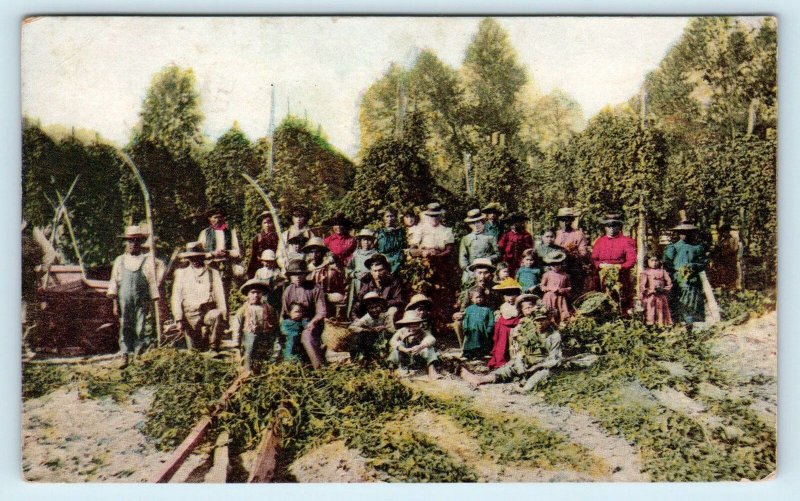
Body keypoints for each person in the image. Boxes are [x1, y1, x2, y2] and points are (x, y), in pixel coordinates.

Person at [461, 300, 564, 392]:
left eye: (543, 320)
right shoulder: (528, 331)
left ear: (548, 320)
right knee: (509, 367)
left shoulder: (554, 336)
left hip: (542, 366)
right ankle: (480, 379)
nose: (540, 323)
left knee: (540, 376)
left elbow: (555, 359)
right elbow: (520, 351)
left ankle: (525, 388)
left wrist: (537, 366)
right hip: (527, 362)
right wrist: (520, 364)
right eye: (537, 320)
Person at [107, 226, 161, 368]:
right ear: (126, 243)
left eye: (136, 241)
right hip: (124, 299)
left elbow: (151, 281)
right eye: (130, 241)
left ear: (140, 243)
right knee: (125, 325)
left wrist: (154, 298)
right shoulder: (120, 260)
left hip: (141, 299)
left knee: (140, 326)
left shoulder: (147, 260)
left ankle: (138, 354)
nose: (133, 244)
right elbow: (114, 282)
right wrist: (114, 303)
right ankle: (124, 354)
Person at [170, 242, 227, 352]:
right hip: (190, 315)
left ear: (202, 256)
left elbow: (220, 295)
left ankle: (214, 347)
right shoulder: (181, 274)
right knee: (195, 350)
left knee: (217, 315)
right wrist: (178, 319)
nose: (194, 260)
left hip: (207, 311)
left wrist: (224, 317)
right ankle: (200, 340)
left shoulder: (212, 272)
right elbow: (176, 297)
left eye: (197, 257)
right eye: (191, 258)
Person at [280, 258, 327, 369]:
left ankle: (320, 368)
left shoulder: (315, 288)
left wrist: (313, 322)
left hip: (311, 322)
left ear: (305, 275)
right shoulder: (288, 290)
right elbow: (285, 313)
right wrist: (290, 318)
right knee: (290, 338)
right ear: (290, 276)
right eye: (294, 275)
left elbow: (321, 311)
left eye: (300, 274)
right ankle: (291, 367)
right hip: (294, 322)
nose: (297, 278)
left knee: (307, 337)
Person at [591, 213, 637, 316]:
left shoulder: (626, 241)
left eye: (614, 225)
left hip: (621, 275)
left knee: (621, 297)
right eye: (609, 226)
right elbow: (593, 259)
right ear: (605, 227)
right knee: (604, 296)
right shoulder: (600, 242)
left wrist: (620, 266)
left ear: (619, 227)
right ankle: (606, 317)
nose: (611, 228)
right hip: (603, 274)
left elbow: (632, 259)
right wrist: (600, 265)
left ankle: (622, 317)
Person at [663, 220, 707, 325]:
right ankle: (677, 323)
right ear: (678, 234)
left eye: (688, 232)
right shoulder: (673, 247)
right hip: (677, 279)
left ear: (693, 233)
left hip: (693, 280)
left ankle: (690, 324)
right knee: (677, 301)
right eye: (682, 232)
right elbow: (666, 263)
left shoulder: (698, 247)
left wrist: (694, 266)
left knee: (692, 301)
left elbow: (704, 263)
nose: (685, 235)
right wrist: (675, 272)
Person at [230, 279, 279, 372]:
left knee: (265, 355)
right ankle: (247, 371)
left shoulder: (269, 308)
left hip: (265, 336)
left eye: (258, 293)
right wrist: (236, 344)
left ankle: (264, 371)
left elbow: (275, 325)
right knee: (250, 351)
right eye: (253, 292)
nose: (256, 295)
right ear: (248, 295)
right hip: (249, 336)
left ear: (262, 294)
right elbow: (237, 327)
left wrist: (276, 338)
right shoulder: (243, 309)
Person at [197, 205, 243, 296]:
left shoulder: (230, 232)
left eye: (220, 217)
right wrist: (212, 253)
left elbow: (237, 252)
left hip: (226, 266)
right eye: (215, 217)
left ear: (224, 218)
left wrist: (227, 252)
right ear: (210, 219)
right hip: (210, 266)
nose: (218, 220)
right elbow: (199, 254)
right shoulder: (204, 233)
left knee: (226, 291)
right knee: (212, 292)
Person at [387, 310, 441, 379]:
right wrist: (404, 349)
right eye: (410, 325)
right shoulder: (401, 331)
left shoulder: (422, 332)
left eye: (415, 325)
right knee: (396, 348)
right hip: (404, 356)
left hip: (418, 356)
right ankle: (391, 370)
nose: (412, 328)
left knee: (429, 349)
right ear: (406, 324)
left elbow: (431, 338)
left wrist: (420, 346)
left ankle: (432, 371)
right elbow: (392, 341)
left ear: (419, 324)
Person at [350, 253, 404, 320]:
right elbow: (358, 302)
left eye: (380, 270)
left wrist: (382, 303)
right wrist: (356, 318)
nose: (377, 274)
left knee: (393, 310)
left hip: (387, 312)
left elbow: (399, 300)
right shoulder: (366, 282)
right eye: (375, 271)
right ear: (371, 272)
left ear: (386, 270)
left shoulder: (394, 282)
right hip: (370, 314)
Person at [348, 291, 396, 362]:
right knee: (357, 337)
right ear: (367, 309)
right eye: (371, 308)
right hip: (372, 339)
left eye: (377, 307)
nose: (374, 310)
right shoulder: (366, 318)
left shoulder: (386, 316)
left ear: (380, 306)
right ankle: (362, 358)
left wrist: (384, 327)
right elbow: (351, 327)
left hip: (384, 339)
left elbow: (392, 329)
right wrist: (368, 330)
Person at [487, 278, 523, 369]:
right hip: (504, 327)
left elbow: (517, 315)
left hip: (516, 326)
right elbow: (505, 317)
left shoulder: (519, 305)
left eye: (513, 295)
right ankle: (501, 360)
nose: (510, 298)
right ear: (503, 296)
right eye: (507, 295)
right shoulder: (503, 306)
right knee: (502, 343)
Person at [554, 207, 590, 299]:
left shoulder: (578, 234)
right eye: (562, 220)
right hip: (556, 268)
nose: (565, 223)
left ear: (572, 221)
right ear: (559, 221)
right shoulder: (555, 234)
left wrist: (570, 253)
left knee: (574, 293)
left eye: (568, 220)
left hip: (573, 268)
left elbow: (583, 253)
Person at [458, 209, 499, 284]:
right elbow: (462, 257)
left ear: (482, 222)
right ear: (469, 225)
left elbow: (497, 254)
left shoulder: (490, 237)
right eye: (472, 223)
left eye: (478, 222)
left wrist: (488, 259)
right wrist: (467, 268)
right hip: (471, 270)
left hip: (487, 269)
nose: (476, 225)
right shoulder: (466, 238)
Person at [539, 250, 573, 324]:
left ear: (561, 265)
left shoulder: (565, 275)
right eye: (553, 265)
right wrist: (549, 289)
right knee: (549, 312)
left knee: (562, 313)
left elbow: (569, 287)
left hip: (560, 298)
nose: (555, 267)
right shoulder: (547, 274)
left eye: (557, 265)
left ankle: (562, 327)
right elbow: (542, 286)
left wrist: (563, 290)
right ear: (550, 266)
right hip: (549, 297)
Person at [461, 286, 495, 359]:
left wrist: (489, 328)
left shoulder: (487, 309)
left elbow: (491, 320)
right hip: (471, 330)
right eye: (476, 297)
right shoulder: (468, 309)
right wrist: (465, 328)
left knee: (482, 342)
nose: (479, 299)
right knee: (470, 342)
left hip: (483, 330)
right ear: (471, 299)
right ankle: (469, 354)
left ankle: (481, 354)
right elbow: (466, 319)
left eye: (481, 297)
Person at [639, 255, 673, 326]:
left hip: (661, 296)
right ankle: (650, 326)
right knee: (651, 311)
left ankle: (661, 326)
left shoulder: (663, 272)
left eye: (656, 260)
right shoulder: (645, 272)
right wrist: (649, 291)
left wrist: (664, 289)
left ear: (659, 261)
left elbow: (669, 283)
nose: (654, 263)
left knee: (661, 311)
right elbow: (642, 285)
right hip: (651, 296)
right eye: (652, 260)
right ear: (647, 261)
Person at [498, 213, 534, 277]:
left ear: (521, 223)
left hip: (521, 262)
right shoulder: (506, 234)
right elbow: (501, 246)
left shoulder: (526, 235)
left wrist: (524, 260)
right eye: (511, 223)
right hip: (508, 262)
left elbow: (529, 250)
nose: (514, 225)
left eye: (516, 223)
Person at [247, 211, 280, 279]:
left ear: (273, 223)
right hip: (260, 264)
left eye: (269, 222)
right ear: (262, 224)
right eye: (265, 223)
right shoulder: (258, 237)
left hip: (274, 264)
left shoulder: (278, 237)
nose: (267, 225)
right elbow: (253, 254)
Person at [709, 223, 740, 290]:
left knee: (729, 274)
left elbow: (733, 250)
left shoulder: (731, 239)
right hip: (723, 260)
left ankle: (731, 287)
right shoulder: (722, 240)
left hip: (729, 260)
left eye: (725, 232)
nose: (724, 233)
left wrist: (723, 252)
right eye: (723, 232)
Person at [375, 210, 407, 274]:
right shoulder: (379, 232)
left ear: (395, 217)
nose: (390, 218)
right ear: (383, 218)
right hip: (383, 260)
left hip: (398, 259)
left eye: (391, 216)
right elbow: (374, 247)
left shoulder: (401, 231)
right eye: (387, 216)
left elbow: (405, 245)